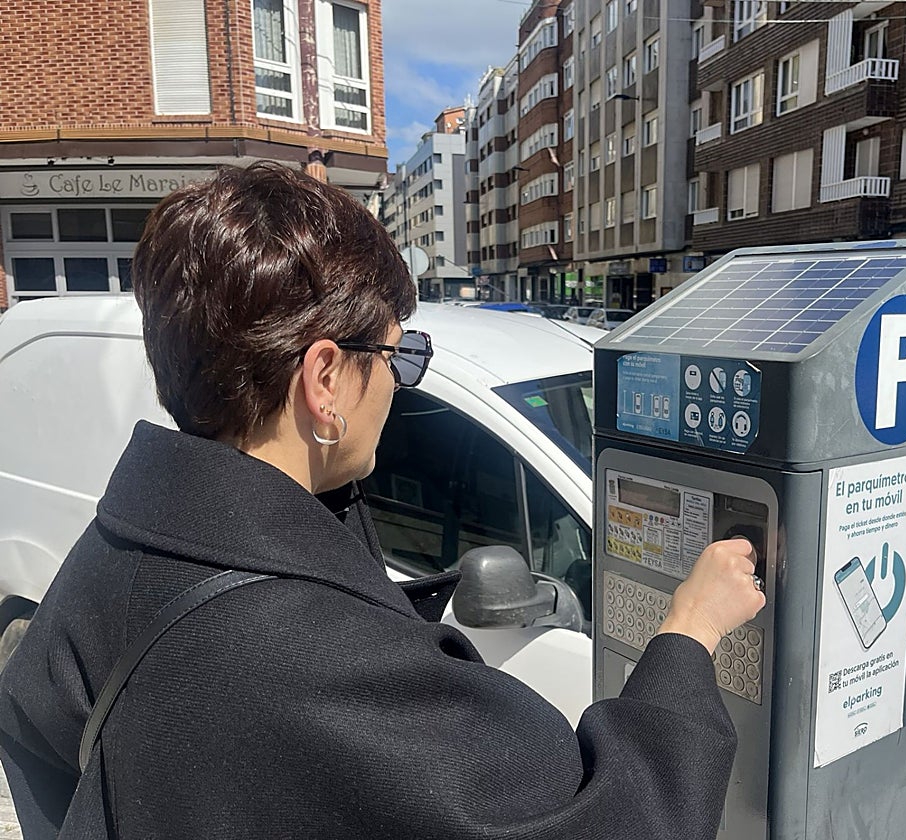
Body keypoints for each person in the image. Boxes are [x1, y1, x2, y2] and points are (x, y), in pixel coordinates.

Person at [0, 162, 766, 839]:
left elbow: (40, 755)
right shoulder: (322, 661)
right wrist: (689, 632)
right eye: (399, 354)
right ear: (325, 379)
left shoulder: (110, 559)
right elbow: (623, 819)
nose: (400, 382)